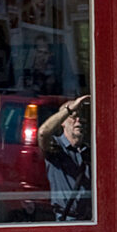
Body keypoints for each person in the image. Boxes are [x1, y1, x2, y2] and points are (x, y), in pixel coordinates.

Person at [36, 93, 91, 221]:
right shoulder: (56, 148)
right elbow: (43, 133)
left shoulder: (89, 151)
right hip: (67, 220)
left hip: (89, 220)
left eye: (80, 118)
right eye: (73, 117)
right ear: (63, 123)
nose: (78, 121)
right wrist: (69, 109)